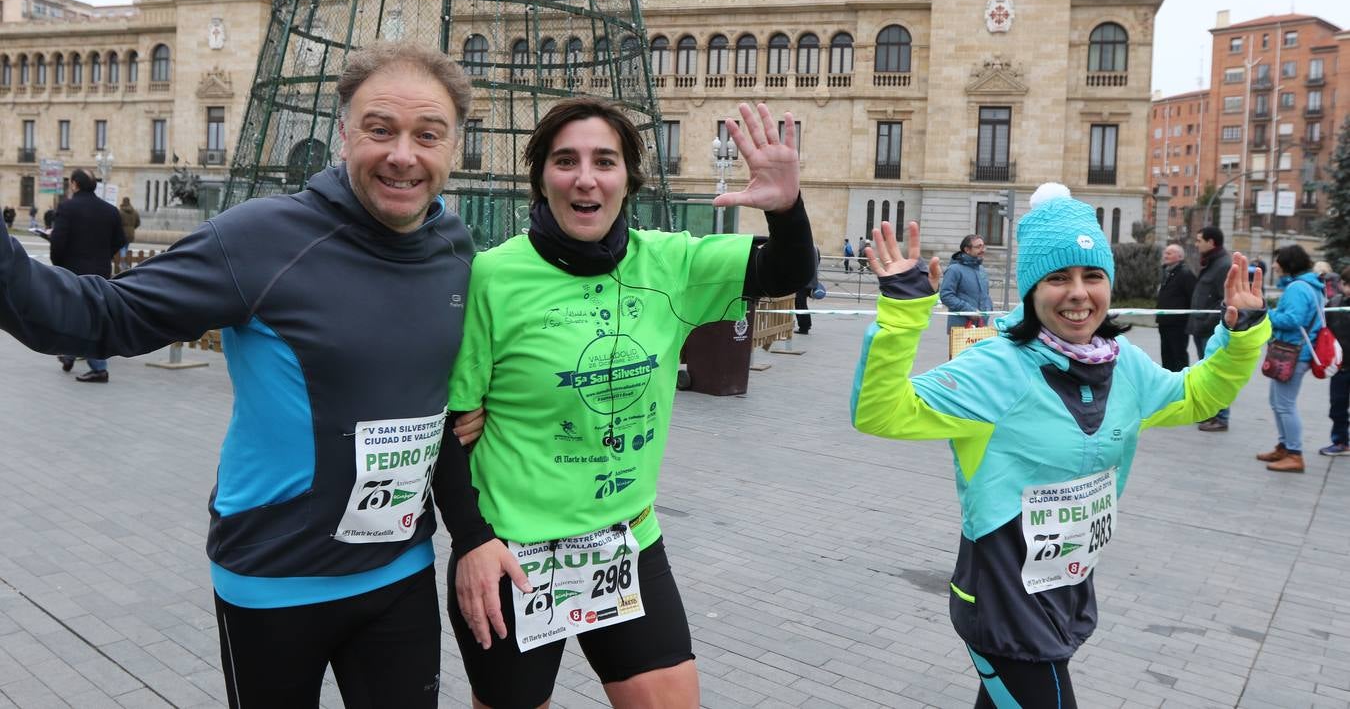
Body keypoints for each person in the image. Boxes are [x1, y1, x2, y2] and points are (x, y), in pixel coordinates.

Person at [0, 41, 505, 708]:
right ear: (344, 134)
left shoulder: (453, 246)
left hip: (399, 573)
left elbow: (453, 391)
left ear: (453, 146)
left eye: (427, 135)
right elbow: (100, 317)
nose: (403, 155)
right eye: (380, 130)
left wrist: (477, 487)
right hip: (274, 578)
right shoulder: (261, 238)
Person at [446, 98, 814, 708]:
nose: (585, 177)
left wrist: (787, 207)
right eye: (566, 161)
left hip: (626, 543)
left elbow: (787, 269)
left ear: (627, 179)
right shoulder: (493, 276)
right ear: (541, 177)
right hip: (513, 555)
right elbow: (451, 429)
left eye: (604, 161)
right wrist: (470, 542)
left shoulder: (670, 263)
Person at [850, 182, 1268, 709]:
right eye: (1058, 278)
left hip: (1066, 590)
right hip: (1004, 607)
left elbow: (1194, 395)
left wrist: (1244, 333)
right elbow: (879, 412)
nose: (1078, 293)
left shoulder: (1125, 365)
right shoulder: (996, 368)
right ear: (1031, 290)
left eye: (1093, 276)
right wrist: (903, 315)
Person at [48, 168, 127, 382]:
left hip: (73, 270)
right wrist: (102, 257)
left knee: (83, 316)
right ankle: (69, 354)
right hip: (100, 270)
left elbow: (58, 242)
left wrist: (59, 263)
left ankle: (99, 367)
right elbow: (120, 240)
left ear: (74, 184)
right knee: (88, 313)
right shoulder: (110, 210)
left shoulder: (67, 207)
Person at [1259, 244, 1323, 473]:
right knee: (1278, 402)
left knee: (1285, 404)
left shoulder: (1297, 288)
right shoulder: (1310, 285)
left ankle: (1294, 454)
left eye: (1278, 261)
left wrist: (1266, 314)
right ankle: (1284, 446)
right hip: (1296, 351)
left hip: (1294, 353)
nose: (1274, 265)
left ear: (1289, 263)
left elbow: (1293, 320)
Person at [1189, 225, 1234, 431]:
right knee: (1208, 372)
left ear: (1211, 242)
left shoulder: (1223, 264)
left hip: (1211, 329)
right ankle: (1211, 413)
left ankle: (1222, 417)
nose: (1196, 244)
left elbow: (1223, 300)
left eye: (1199, 240)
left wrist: (1207, 321)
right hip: (1202, 328)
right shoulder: (1211, 263)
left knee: (1216, 373)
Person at [1320, 272, 1350, 457]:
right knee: (1337, 405)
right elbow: (1324, 328)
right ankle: (1341, 441)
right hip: (1341, 366)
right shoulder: (1335, 303)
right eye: (1346, 284)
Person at [1156, 242, 1196, 372]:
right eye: (1165, 252)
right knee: (1166, 354)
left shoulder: (1185, 274)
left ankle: (1182, 383)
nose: (1165, 255)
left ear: (1179, 257)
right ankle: (1168, 381)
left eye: (1169, 253)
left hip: (1178, 324)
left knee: (1178, 355)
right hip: (1164, 322)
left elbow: (1192, 297)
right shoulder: (1167, 272)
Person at [940, 234, 993, 331]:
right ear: (967, 250)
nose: (982, 250)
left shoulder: (981, 269)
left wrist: (988, 309)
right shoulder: (954, 269)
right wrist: (969, 311)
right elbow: (946, 295)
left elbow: (985, 295)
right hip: (961, 327)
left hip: (982, 326)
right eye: (978, 247)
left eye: (983, 246)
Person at [795, 246, 822, 334]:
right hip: (811, 279)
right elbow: (819, 260)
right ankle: (806, 325)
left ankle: (804, 327)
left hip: (803, 281)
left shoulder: (803, 248)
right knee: (802, 303)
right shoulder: (815, 247)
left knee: (800, 303)